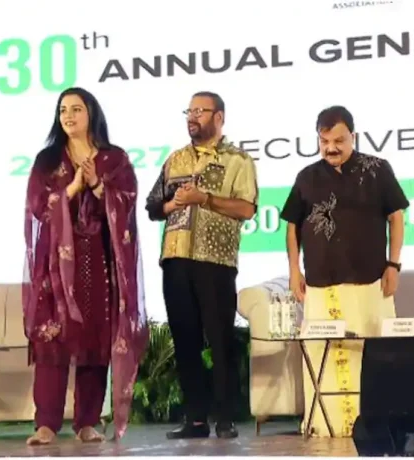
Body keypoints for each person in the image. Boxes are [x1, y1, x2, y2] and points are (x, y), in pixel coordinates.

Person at [22, 87, 148, 445]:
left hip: (98, 261)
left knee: (94, 341)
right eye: (63, 110)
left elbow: (127, 203)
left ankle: (88, 422)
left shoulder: (114, 160)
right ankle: (46, 423)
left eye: (76, 109)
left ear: (91, 113)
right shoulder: (48, 160)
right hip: (55, 265)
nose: (69, 116)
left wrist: (96, 185)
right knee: (52, 341)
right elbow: (38, 206)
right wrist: (72, 189)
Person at [280, 105, 409, 438]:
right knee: (322, 354)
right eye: (324, 142)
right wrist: (294, 270)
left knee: (371, 354)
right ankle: (326, 426)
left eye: (338, 140)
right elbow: (292, 226)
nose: (331, 148)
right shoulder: (307, 177)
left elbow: (396, 217)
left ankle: (376, 427)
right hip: (320, 285)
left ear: (353, 136)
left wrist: (394, 264)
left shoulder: (377, 169)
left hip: (370, 282)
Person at [145, 91, 258, 440]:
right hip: (176, 258)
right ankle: (195, 419)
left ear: (218, 117)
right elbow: (153, 206)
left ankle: (225, 418)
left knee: (220, 340)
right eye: (189, 111)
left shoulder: (238, 160)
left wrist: (204, 199)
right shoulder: (176, 159)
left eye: (200, 111)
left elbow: (247, 208)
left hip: (215, 260)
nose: (192, 117)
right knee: (185, 340)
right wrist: (173, 205)